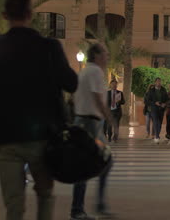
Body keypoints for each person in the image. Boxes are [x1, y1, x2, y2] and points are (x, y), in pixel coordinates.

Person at [0, 0, 78, 220]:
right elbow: (71, 83)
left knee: (14, 204)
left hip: (6, 138)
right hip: (44, 137)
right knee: (45, 196)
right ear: (31, 15)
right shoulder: (49, 47)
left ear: (4, 15)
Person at [70, 44, 113, 219]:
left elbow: (74, 98)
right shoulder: (95, 71)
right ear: (96, 55)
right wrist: (110, 119)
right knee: (88, 164)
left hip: (85, 121)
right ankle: (78, 210)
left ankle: (95, 205)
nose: (107, 56)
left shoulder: (84, 72)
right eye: (105, 53)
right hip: (90, 123)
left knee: (104, 161)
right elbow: (98, 99)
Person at [146, 78, 168, 144]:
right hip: (154, 109)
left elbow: (167, 99)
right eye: (157, 82)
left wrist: (165, 104)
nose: (159, 83)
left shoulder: (163, 90)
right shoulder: (151, 90)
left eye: (160, 82)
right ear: (155, 82)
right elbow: (148, 101)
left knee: (160, 123)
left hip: (161, 109)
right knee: (155, 122)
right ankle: (157, 136)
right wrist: (155, 103)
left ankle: (157, 134)